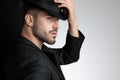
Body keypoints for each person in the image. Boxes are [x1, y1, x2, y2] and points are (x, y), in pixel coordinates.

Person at [4, 0, 85, 80]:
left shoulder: (34, 49)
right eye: (49, 18)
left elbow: (69, 55)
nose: (57, 26)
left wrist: (72, 20)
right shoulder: (34, 62)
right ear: (29, 20)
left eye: (57, 20)